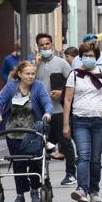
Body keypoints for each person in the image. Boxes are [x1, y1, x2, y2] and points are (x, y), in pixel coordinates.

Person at [0, 61, 53, 202]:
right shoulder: (11, 86)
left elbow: (47, 103)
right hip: (13, 132)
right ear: (19, 74)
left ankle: (34, 190)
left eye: (33, 74)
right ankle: (20, 195)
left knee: (35, 161)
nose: (31, 76)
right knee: (18, 163)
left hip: (33, 132)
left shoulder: (38, 86)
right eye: (27, 74)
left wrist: (47, 113)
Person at [62, 42, 102, 202]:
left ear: (96, 57)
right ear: (81, 57)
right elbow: (68, 100)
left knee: (95, 158)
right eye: (85, 55)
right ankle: (81, 189)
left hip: (99, 120)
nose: (88, 58)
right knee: (83, 155)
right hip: (80, 120)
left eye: (91, 55)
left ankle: (94, 190)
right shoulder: (74, 74)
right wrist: (66, 124)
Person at [33, 33, 76, 186]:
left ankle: (71, 174)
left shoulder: (61, 63)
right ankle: (40, 176)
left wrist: (61, 93)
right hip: (40, 112)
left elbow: (73, 83)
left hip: (58, 109)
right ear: (37, 47)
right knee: (40, 144)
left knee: (65, 142)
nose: (45, 47)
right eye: (41, 45)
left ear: (52, 45)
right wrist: (35, 65)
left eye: (47, 44)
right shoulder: (33, 65)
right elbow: (24, 80)